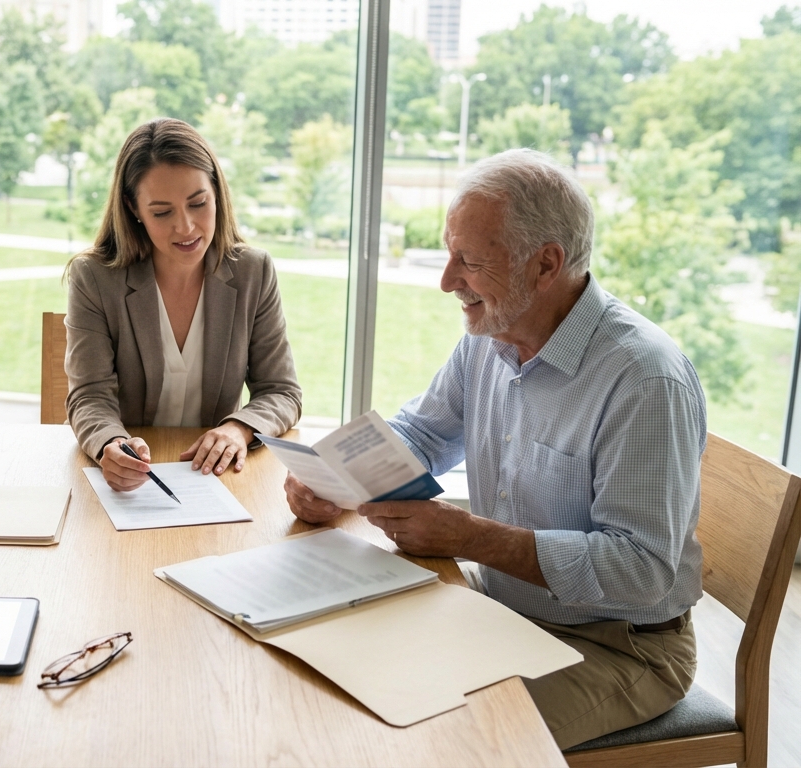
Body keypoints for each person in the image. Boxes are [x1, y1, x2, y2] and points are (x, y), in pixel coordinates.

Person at [285, 149, 704, 749]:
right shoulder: (491, 336)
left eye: (470, 261)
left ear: (545, 264)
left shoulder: (644, 380)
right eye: (449, 253)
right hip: (502, 606)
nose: (446, 280)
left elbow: (642, 570)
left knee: (437, 740)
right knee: (334, 665)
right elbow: (423, 434)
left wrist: (472, 538)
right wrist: (334, 474)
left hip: (620, 646)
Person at [65, 118, 302, 491]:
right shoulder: (94, 277)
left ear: (217, 193)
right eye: (162, 212)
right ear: (133, 209)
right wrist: (112, 442)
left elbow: (281, 390)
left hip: (217, 478)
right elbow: (89, 395)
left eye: (198, 203)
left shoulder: (253, 271)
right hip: (132, 483)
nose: (187, 227)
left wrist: (239, 428)